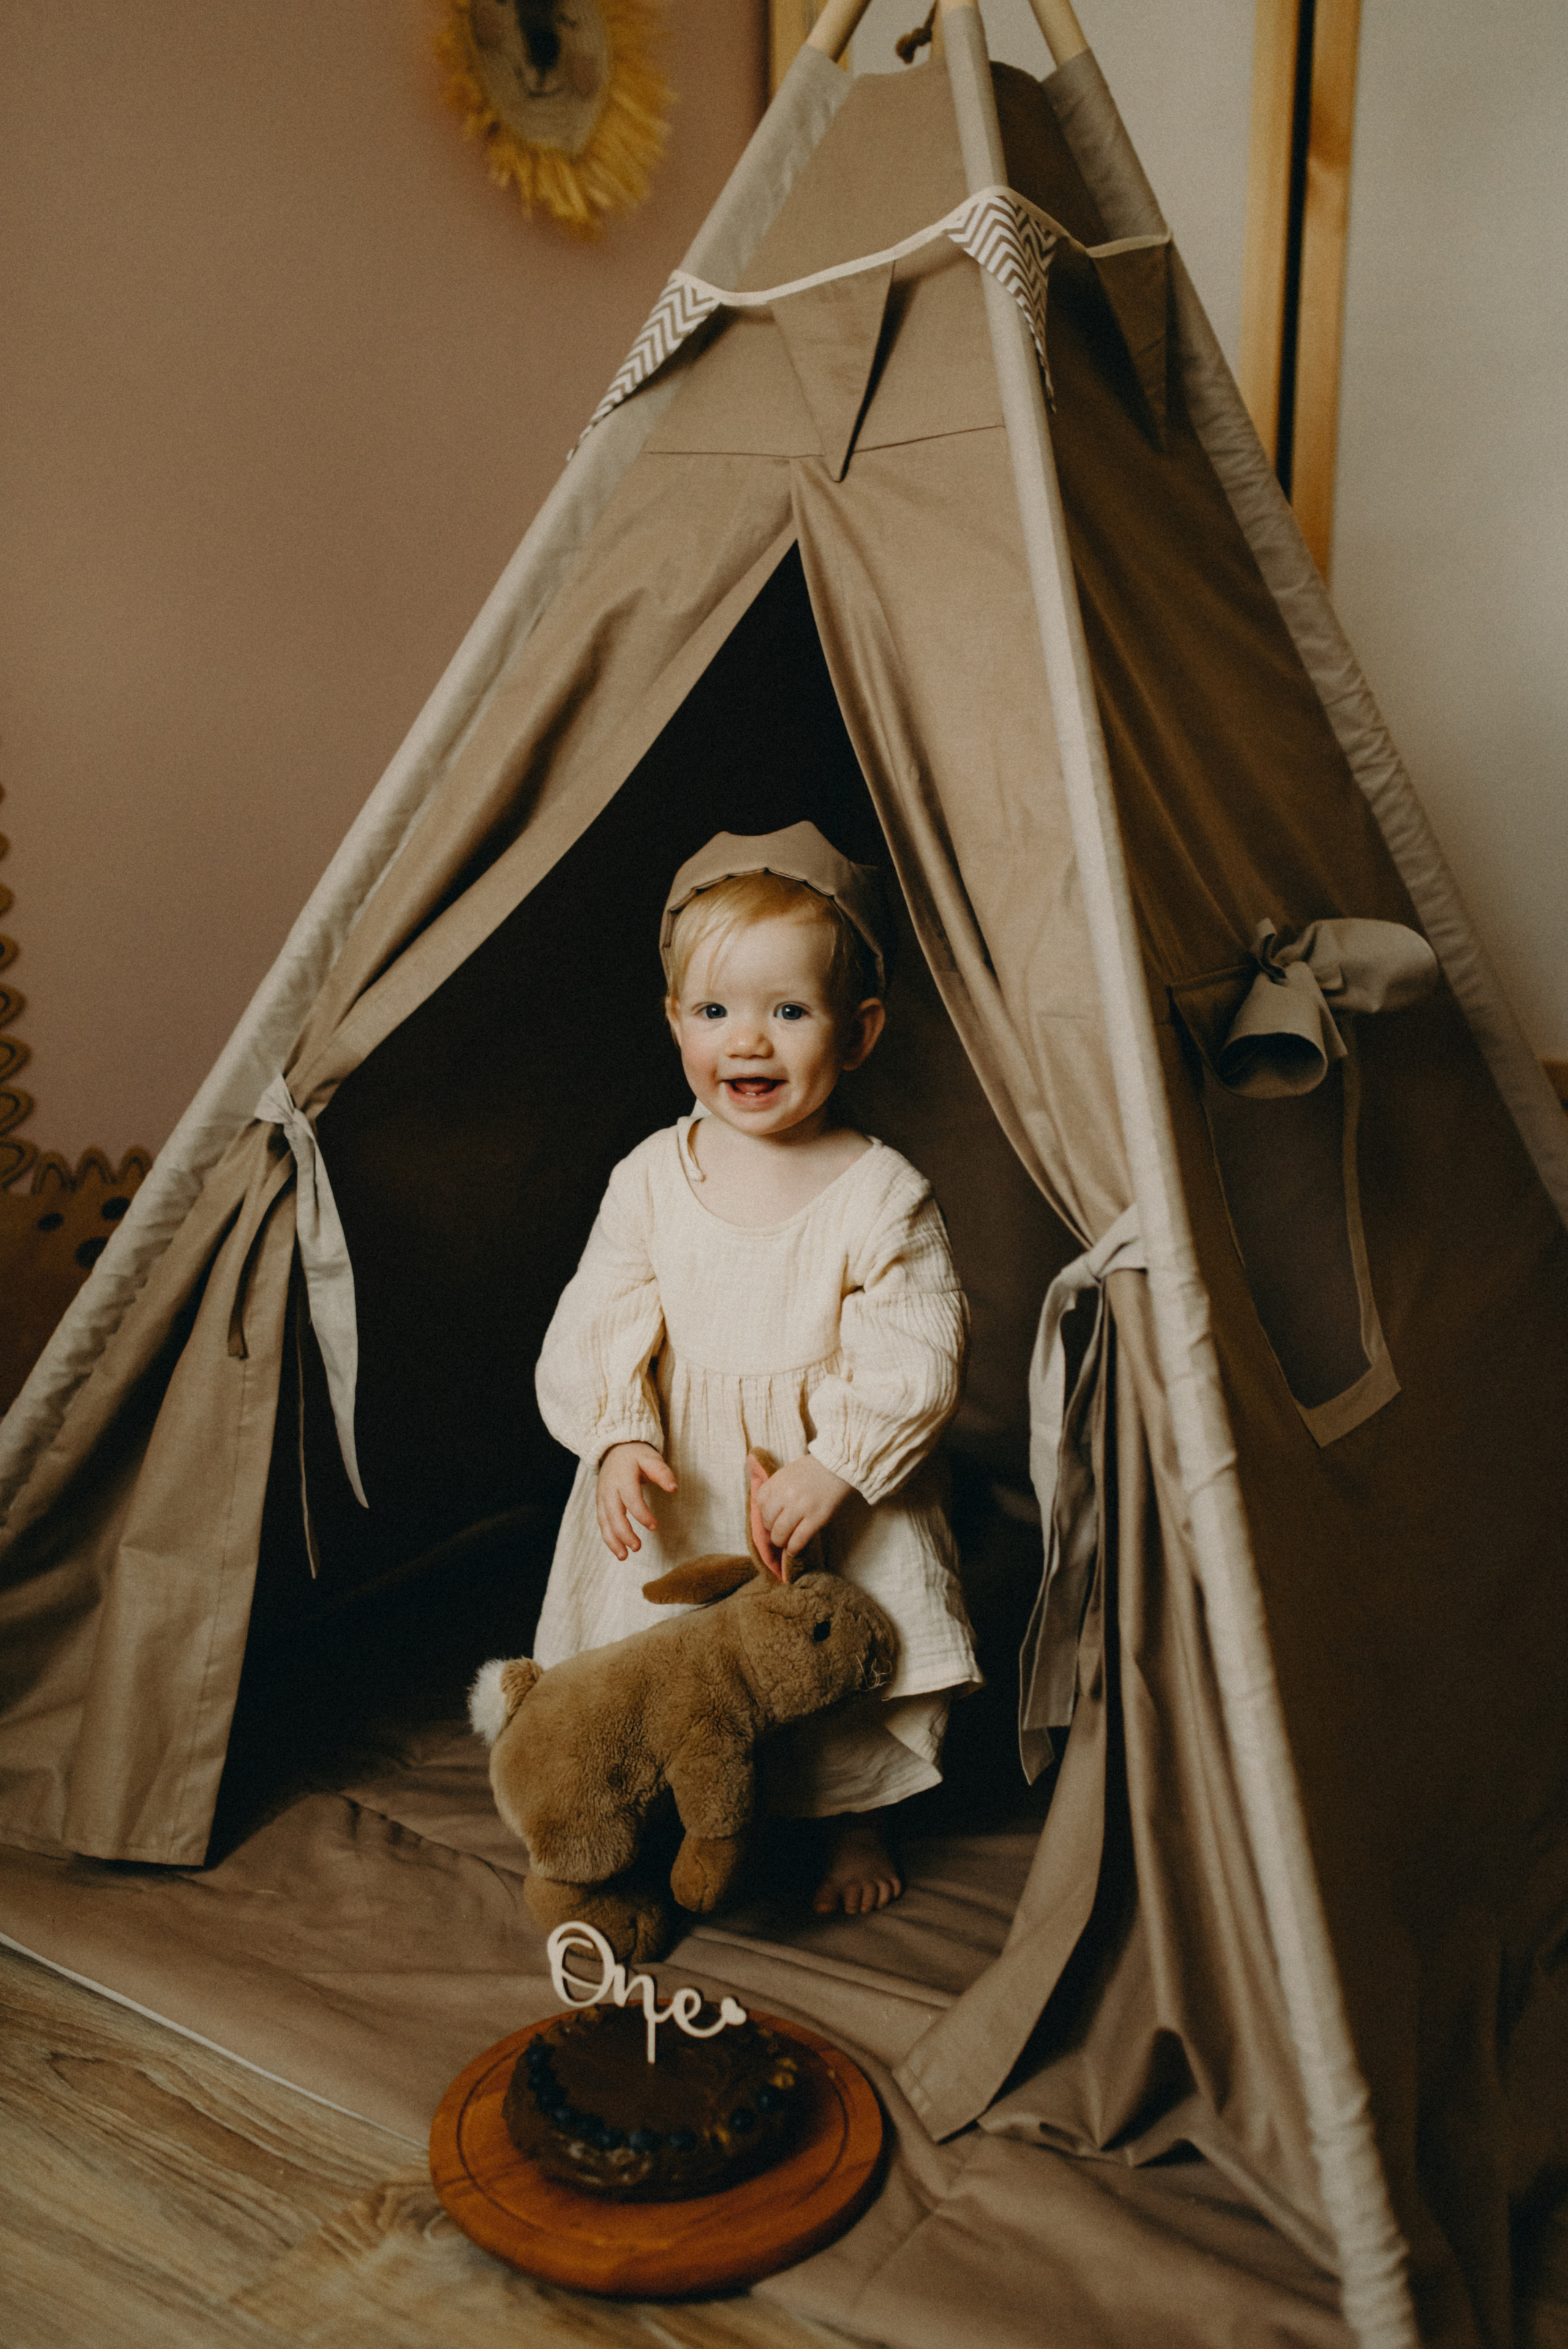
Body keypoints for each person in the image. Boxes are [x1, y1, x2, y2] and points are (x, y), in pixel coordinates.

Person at [533, 822, 979, 1916]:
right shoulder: (650, 1177)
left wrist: (843, 1463)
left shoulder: (881, 1192)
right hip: (690, 1490)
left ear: (859, 1030)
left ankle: (853, 1823)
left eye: (790, 1011)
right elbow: (600, 1314)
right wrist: (621, 1433)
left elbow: (920, 1342)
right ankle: (645, 1823)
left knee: (836, 1668)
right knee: (658, 1665)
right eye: (718, 1011)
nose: (751, 1042)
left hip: (822, 1485)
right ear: (677, 1021)